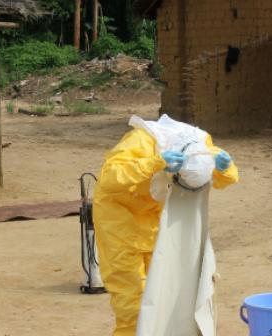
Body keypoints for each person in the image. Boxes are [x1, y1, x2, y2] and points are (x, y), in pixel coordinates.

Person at [93, 116, 239, 336]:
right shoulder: (140, 142)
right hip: (119, 220)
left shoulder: (199, 145)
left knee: (162, 294)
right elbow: (110, 177)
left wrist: (223, 169)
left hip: (155, 220)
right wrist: (156, 162)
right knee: (132, 305)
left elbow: (224, 178)